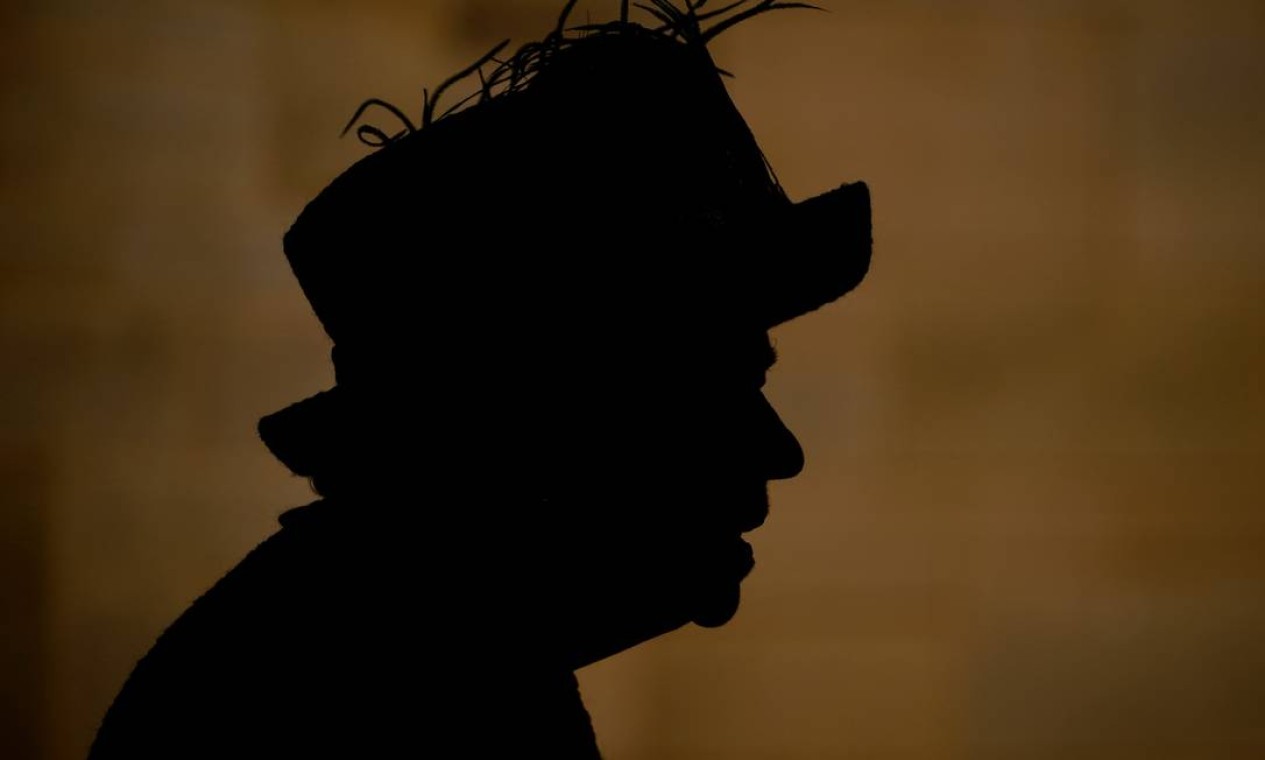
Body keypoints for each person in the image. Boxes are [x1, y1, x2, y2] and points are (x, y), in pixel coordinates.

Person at [89, 4, 871, 758]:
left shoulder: (415, 663)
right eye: (710, 388)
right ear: (543, 421)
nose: (780, 451)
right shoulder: (387, 698)